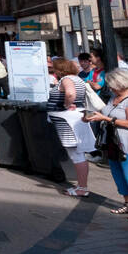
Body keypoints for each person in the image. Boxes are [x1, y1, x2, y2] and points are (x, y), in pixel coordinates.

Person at [87, 69, 128, 221]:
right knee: (119, 174)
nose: (109, 87)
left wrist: (106, 118)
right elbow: (106, 112)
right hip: (113, 142)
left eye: (112, 85)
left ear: (120, 84)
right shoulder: (113, 98)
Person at [48, 57, 93, 198]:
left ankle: (82, 188)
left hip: (67, 121)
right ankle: (82, 186)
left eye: (54, 67)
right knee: (78, 154)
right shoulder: (77, 78)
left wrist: (67, 104)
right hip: (74, 119)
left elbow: (70, 93)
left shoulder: (66, 79)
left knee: (76, 155)